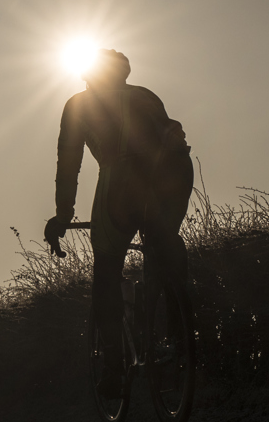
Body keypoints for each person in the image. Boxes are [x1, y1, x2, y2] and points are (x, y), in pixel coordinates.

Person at [44, 49, 193, 398]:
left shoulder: (79, 104)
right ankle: (178, 334)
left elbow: (69, 163)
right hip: (173, 173)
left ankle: (113, 367)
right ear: (125, 74)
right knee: (165, 244)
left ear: (89, 76)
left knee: (107, 271)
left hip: (122, 182)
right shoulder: (146, 95)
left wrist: (63, 215)